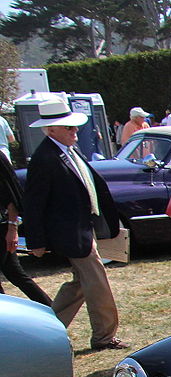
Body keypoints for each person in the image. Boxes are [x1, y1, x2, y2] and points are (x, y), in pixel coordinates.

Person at [23, 95, 127, 350]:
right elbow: (33, 204)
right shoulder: (44, 158)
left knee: (79, 285)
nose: (75, 131)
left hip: (83, 229)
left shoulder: (68, 151)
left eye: (74, 125)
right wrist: (35, 241)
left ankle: (44, 331)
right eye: (68, 127)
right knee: (96, 282)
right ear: (51, 130)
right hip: (70, 233)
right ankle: (104, 337)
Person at [0, 148, 52, 306]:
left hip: (2, 226)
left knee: (16, 275)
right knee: (15, 274)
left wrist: (12, 229)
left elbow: (11, 197)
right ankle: (52, 309)